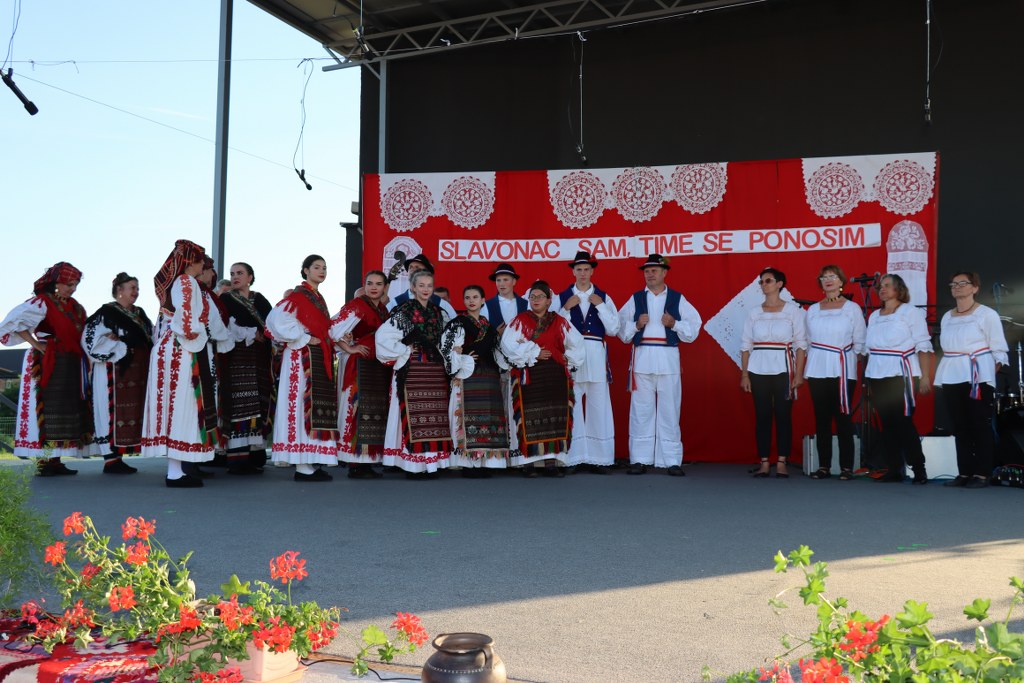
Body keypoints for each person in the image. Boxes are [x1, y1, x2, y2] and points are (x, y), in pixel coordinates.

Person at [142, 240, 235, 487]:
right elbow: (186, 321)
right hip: (182, 349)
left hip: (177, 347)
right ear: (190, 262)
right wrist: (197, 334)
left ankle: (177, 470)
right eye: (200, 260)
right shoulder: (186, 282)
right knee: (182, 406)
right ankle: (175, 472)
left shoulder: (184, 283)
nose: (203, 263)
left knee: (179, 408)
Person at [0, 262, 92, 475]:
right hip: (46, 360)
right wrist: (36, 343)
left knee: (62, 410)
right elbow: (14, 323)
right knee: (45, 408)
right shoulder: (42, 302)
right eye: (68, 284)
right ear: (56, 283)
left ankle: (55, 460)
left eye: (75, 284)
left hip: (69, 362)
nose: (72, 288)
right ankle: (44, 461)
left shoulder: (75, 307)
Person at [617, 254, 702, 476]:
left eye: (655, 270)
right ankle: (639, 459)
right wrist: (636, 325)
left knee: (669, 409)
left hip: (667, 359)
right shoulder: (635, 299)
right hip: (643, 358)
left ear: (665, 272)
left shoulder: (677, 298)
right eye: (647, 271)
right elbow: (620, 329)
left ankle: (671, 460)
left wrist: (674, 323)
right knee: (641, 410)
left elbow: (694, 328)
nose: (650, 274)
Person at [266, 254, 340, 481]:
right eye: (317, 267)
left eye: (324, 268)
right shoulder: (298, 296)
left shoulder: (317, 298)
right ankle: (301, 464)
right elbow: (275, 321)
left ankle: (309, 459)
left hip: (314, 357)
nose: (322, 271)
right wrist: (305, 338)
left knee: (312, 406)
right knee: (299, 404)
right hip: (300, 359)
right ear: (306, 270)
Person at [501, 280, 585, 477]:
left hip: (555, 376)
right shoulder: (520, 321)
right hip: (529, 376)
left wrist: (567, 359)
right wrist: (534, 352)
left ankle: (551, 462)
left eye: (540, 297)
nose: (536, 300)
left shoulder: (560, 322)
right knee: (529, 416)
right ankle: (528, 462)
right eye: (532, 296)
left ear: (549, 300)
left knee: (554, 417)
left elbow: (577, 343)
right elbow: (508, 346)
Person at [376, 269, 454, 478]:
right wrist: (404, 350)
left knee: (434, 416)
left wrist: (452, 351)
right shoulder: (405, 312)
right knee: (413, 414)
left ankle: (430, 464)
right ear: (413, 287)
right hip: (413, 368)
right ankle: (413, 465)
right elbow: (382, 337)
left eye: (429, 286)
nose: (426, 289)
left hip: (434, 371)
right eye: (421, 285)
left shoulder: (439, 313)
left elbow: (448, 339)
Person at [934, 271, 1008, 489]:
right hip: (951, 374)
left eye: (962, 283)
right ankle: (964, 472)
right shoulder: (947, 316)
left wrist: (987, 375)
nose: (956, 287)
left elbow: (999, 349)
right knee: (959, 425)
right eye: (953, 284)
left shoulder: (986, 314)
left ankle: (983, 473)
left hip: (977, 376)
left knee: (979, 424)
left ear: (975, 287)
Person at [82, 272, 154, 474]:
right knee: (109, 411)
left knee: (133, 412)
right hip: (111, 372)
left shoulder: (139, 314)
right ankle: (110, 459)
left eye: (137, 288)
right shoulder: (106, 313)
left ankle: (118, 456)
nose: (136, 292)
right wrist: (115, 344)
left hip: (136, 373)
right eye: (132, 288)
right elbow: (90, 341)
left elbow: (150, 336)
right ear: (119, 291)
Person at [554, 251, 620, 473]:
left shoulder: (603, 296)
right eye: (578, 269)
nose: (582, 273)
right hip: (572, 353)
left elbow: (614, 329)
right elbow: (552, 330)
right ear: (573, 271)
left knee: (599, 405)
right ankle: (574, 457)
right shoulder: (562, 297)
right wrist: (565, 308)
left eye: (586, 269)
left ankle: (599, 458)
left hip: (595, 352)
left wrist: (600, 305)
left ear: (592, 271)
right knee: (572, 405)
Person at [865, 273, 934, 484]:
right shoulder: (875, 316)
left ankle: (919, 469)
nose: (882, 289)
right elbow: (869, 347)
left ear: (899, 290)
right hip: (877, 373)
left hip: (901, 372)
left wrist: (924, 377)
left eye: (887, 285)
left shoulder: (910, 312)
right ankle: (894, 469)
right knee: (886, 423)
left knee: (903, 422)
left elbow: (923, 345)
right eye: (880, 286)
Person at [740, 267, 807, 479]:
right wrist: (744, 374)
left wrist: (798, 374)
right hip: (758, 368)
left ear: (780, 284)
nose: (763, 285)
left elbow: (801, 345)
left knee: (783, 415)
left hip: (784, 368)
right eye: (761, 282)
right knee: (762, 416)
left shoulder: (793, 311)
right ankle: (764, 462)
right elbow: (745, 345)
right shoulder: (754, 312)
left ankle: (782, 462)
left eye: (767, 281)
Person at [441, 284, 511, 475]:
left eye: (475, 297)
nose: (471, 301)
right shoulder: (457, 323)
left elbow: (497, 350)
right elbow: (447, 349)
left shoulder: (488, 326)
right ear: (463, 301)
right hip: (467, 375)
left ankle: (487, 461)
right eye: (467, 297)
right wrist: (460, 358)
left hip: (488, 375)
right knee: (465, 416)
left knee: (488, 417)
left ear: (482, 300)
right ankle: (467, 462)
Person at [804, 265, 866, 481]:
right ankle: (823, 466)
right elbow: (807, 340)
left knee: (843, 418)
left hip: (842, 367)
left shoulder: (852, 308)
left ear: (841, 282)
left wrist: (850, 359)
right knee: (821, 418)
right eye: (824, 277)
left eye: (833, 276)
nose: (828, 280)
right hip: (817, 366)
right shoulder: (812, 310)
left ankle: (847, 466)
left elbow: (860, 341)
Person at [330, 270, 392, 478]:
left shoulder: (383, 310)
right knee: (356, 409)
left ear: (385, 287)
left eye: (378, 283)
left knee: (374, 411)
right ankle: (355, 462)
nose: (374, 287)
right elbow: (332, 329)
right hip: (360, 365)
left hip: (377, 366)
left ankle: (367, 460)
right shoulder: (357, 306)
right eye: (370, 283)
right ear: (364, 285)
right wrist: (349, 348)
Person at [219, 262, 274, 473]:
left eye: (240, 273)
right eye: (232, 274)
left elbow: (272, 322)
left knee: (257, 401)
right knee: (241, 402)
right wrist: (252, 333)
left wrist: (265, 336)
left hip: (259, 358)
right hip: (238, 357)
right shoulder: (226, 299)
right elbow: (227, 327)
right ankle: (236, 458)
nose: (235, 277)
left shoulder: (259, 299)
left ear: (250, 277)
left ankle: (253, 454)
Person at [386, 253, 457, 318]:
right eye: (410, 267)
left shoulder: (441, 304)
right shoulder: (396, 303)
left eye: (417, 267)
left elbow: (456, 328)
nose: (412, 270)